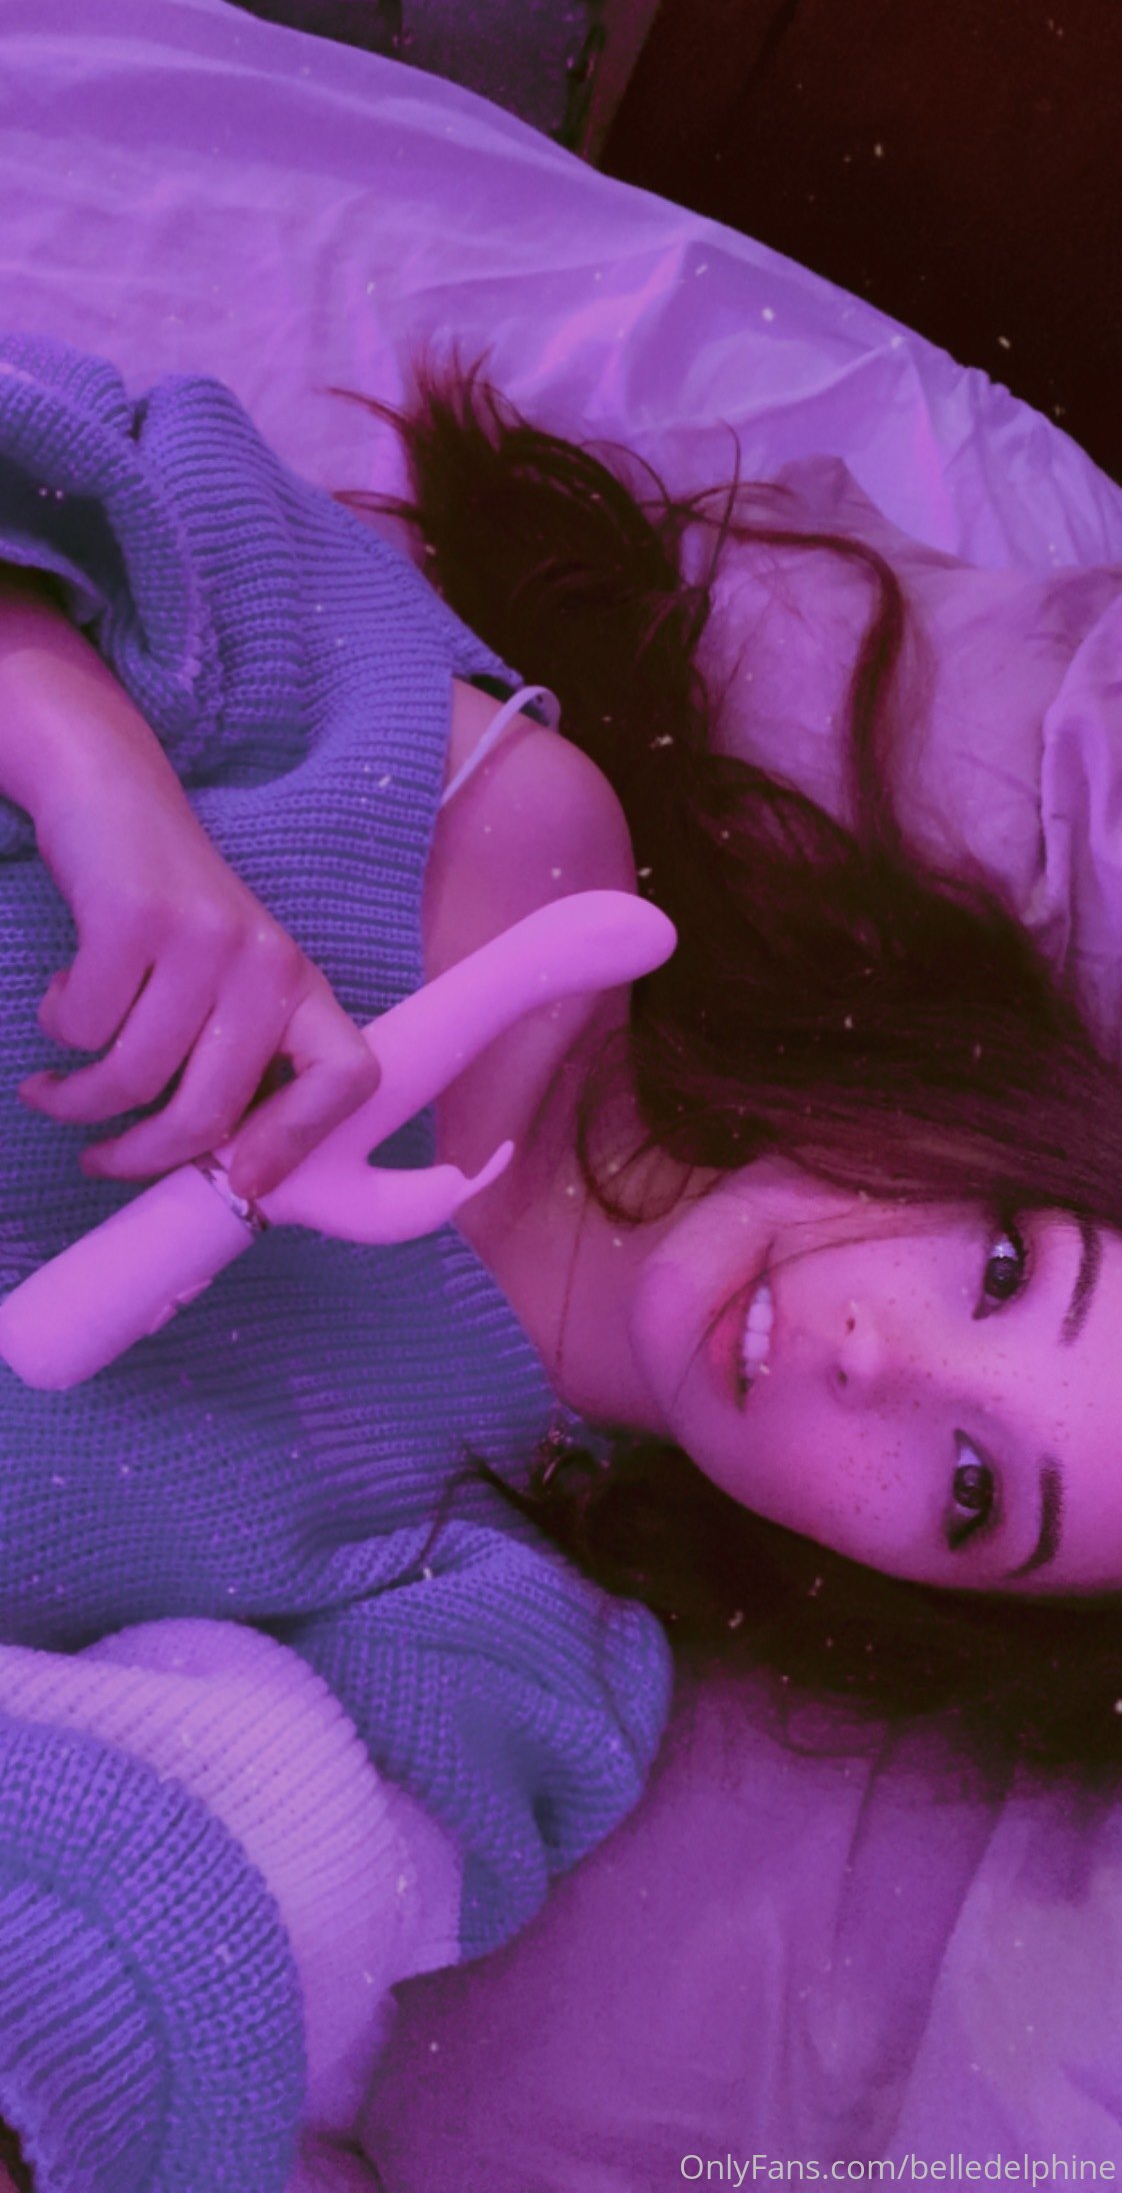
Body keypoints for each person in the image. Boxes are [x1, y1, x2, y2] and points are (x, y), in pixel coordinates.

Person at [0, 328, 1120, 2189]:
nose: (882, 1361)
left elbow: (179, 1914)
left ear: (900, 1594)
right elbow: (52, 454)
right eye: (1000, 1269)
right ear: (975, 1124)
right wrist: (96, 780)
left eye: (968, 1489)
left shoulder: (501, 1640)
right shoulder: (516, 830)